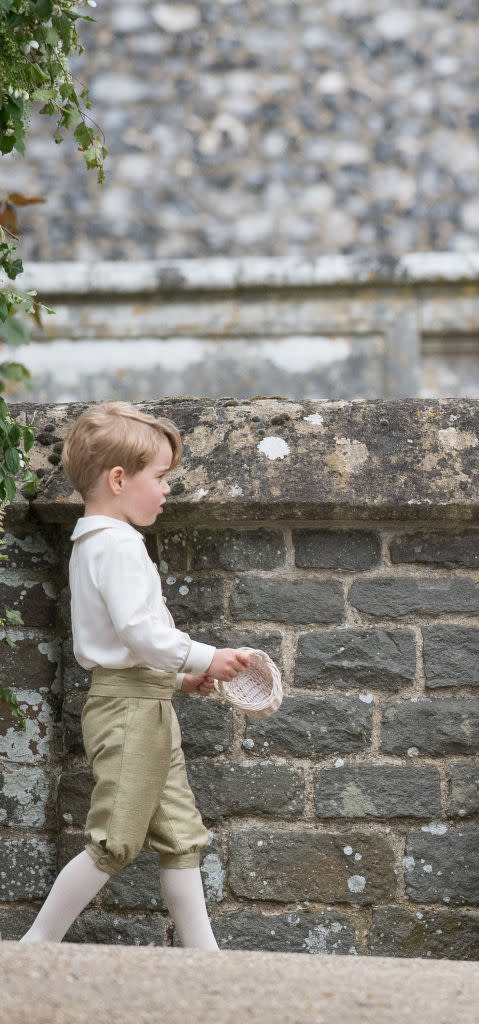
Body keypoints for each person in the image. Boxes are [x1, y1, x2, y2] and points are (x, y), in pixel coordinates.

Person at [21, 401, 251, 948]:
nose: (168, 489)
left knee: (179, 835)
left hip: (144, 703)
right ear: (119, 479)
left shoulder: (99, 540)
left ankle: (205, 957)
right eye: (161, 476)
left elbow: (125, 642)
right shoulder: (117, 544)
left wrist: (174, 681)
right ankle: (35, 945)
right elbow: (138, 633)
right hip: (129, 711)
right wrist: (204, 657)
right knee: (115, 841)